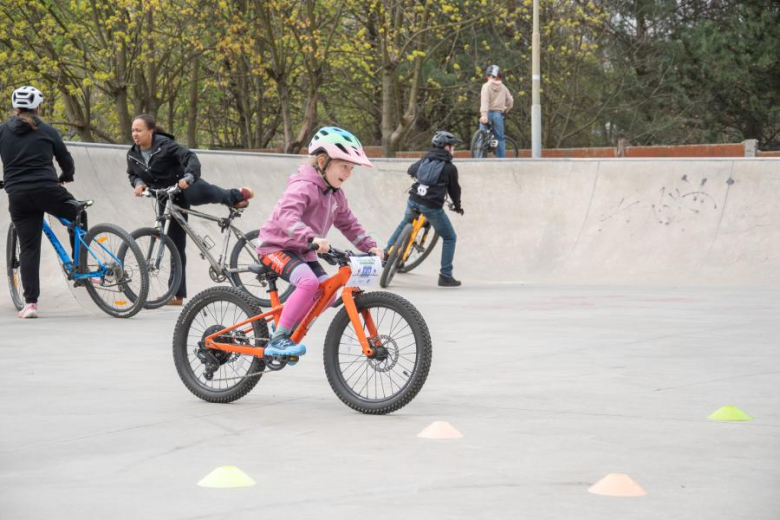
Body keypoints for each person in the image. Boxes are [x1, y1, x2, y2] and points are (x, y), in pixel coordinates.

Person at [255, 126, 384, 359]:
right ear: (323, 161)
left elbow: (348, 223)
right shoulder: (303, 185)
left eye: (352, 168)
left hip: (304, 252)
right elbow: (287, 216)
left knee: (328, 293)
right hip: (275, 247)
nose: (349, 172)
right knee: (307, 282)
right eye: (344, 166)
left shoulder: (336, 194)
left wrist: (369, 246)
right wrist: (311, 237)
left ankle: (288, 326)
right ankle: (279, 338)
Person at [127, 114, 254, 305]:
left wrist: (188, 177)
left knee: (205, 193)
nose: (135, 134)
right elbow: (132, 174)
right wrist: (138, 183)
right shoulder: (132, 155)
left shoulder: (166, 145)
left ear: (150, 131)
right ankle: (176, 295)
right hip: (165, 195)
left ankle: (237, 195)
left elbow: (190, 158)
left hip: (183, 185)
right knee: (174, 243)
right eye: (133, 131)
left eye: (139, 130)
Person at [0, 86, 85, 318]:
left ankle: (30, 304)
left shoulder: (2, 131)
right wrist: (66, 175)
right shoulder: (47, 130)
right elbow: (65, 159)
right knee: (78, 212)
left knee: (29, 248)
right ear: (38, 106)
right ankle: (82, 266)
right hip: (48, 191)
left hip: (18, 195)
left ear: (15, 107)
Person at [385, 131, 464, 287]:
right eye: (453, 146)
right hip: (431, 206)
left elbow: (411, 170)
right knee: (450, 237)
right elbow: (455, 190)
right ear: (447, 148)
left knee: (404, 223)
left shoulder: (426, 159)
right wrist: (457, 205)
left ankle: (387, 253)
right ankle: (445, 276)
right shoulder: (449, 168)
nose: (454, 149)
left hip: (413, 199)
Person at [479, 64, 514, 158]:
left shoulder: (486, 86)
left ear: (487, 76)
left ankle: (478, 158)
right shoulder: (503, 87)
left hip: (487, 113)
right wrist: (506, 109)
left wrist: (484, 115)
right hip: (498, 114)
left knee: (481, 137)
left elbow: (485, 101)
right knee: (500, 139)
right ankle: (501, 161)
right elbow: (510, 100)